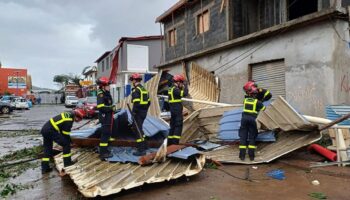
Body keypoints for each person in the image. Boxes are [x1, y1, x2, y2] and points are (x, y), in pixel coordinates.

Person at [41, 109, 85, 174]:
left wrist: (68, 140)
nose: (78, 121)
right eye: (79, 119)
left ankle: (45, 168)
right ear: (77, 116)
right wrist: (70, 143)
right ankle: (67, 163)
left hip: (45, 129)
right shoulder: (69, 119)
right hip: (50, 131)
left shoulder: (67, 115)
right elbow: (65, 134)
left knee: (47, 149)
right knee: (66, 144)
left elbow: (62, 131)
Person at [239, 85, 266, 161]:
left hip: (244, 120)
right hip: (252, 120)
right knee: (252, 137)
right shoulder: (257, 102)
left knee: (243, 137)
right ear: (254, 95)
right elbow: (264, 109)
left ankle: (242, 156)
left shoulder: (245, 101)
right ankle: (251, 157)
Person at [130, 73, 150, 156]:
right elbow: (149, 102)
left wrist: (133, 113)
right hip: (143, 113)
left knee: (137, 130)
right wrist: (144, 110)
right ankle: (145, 145)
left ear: (135, 80)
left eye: (132, 80)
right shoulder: (144, 89)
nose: (132, 82)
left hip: (138, 113)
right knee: (140, 129)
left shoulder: (136, 90)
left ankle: (141, 150)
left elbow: (136, 104)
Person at [96, 76, 115, 159]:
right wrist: (111, 108)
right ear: (103, 86)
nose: (109, 87)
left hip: (108, 116)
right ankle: (103, 153)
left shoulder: (106, 93)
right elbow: (101, 107)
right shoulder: (101, 94)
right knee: (105, 135)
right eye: (108, 85)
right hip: (105, 117)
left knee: (107, 134)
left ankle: (105, 150)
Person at [167, 74, 188, 145]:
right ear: (178, 82)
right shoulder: (175, 90)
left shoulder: (171, 88)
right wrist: (185, 86)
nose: (181, 84)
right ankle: (175, 144)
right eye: (181, 82)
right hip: (177, 110)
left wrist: (181, 87)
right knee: (178, 126)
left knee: (172, 126)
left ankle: (169, 143)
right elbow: (185, 93)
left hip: (173, 110)